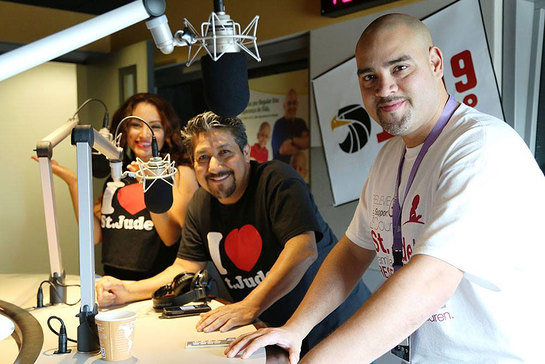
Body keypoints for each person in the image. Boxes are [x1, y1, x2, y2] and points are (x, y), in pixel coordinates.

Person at [225, 13, 545, 363]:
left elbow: (431, 279)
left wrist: (319, 360)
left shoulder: (480, 147)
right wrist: (296, 328)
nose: (384, 88)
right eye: (369, 76)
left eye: (400, 68)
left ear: (435, 63)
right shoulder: (390, 155)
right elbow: (352, 252)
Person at [95, 111, 370, 355]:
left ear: (246, 153)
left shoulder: (278, 179)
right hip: (274, 328)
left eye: (225, 152)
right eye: (203, 157)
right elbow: (185, 267)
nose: (214, 167)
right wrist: (126, 291)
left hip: (334, 322)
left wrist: (250, 305)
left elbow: (303, 250)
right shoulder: (201, 204)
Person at [34, 93, 199, 280]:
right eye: (137, 125)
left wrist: (148, 184)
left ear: (167, 133)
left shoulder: (177, 173)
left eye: (155, 127)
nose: (145, 134)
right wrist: (74, 182)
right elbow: (95, 236)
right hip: (112, 282)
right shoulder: (118, 172)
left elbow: (171, 237)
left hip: (153, 285)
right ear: (125, 130)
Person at [271, 89, 310, 164]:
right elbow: (284, 150)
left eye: (294, 103)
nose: (292, 106)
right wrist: (301, 146)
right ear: (284, 106)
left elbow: (308, 142)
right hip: (281, 172)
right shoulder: (279, 124)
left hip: (296, 170)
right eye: (289, 103)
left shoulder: (301, 123)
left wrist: (292, 140)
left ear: (297, 104)